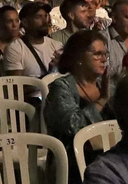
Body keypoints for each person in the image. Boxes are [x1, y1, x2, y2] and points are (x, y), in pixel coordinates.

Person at [42, 30, 113, 175]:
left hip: (107, 160)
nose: (104, 59)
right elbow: (72, 124)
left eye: (105, 54)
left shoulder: (106, 85)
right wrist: (102, 101)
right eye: (97, 54)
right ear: (79, 56)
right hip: (71, 166)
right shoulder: (62, 87)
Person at [0, 1, 59, 80]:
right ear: (25, 22)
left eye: (45, 16)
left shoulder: (57, 46)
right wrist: (50, 75)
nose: (45, 21)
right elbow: (15, 88)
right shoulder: (15, 49)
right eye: (38, 17)